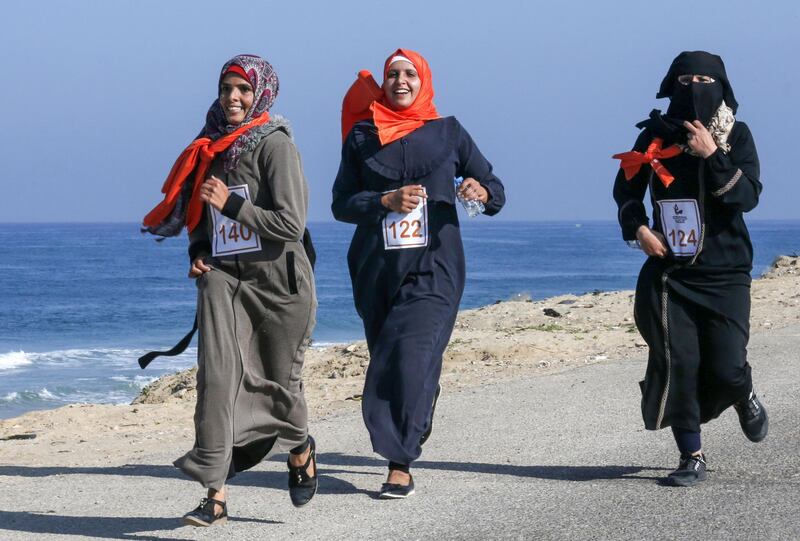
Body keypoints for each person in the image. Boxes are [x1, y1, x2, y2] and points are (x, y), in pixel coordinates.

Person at [142, 54, 318, 525]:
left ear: (260, 92)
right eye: (226, 89)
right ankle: (214, 496)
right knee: (218, 383)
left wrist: (234, 206)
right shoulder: (211, 147)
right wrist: (197, 251)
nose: (233, 98)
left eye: (242, 89)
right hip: (225, 282)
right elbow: (204, 218)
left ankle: (299, 446)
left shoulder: (276, 145)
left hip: (280, 286)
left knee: (280, 386)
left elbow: (290, 223)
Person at [332, 48, 506, 498]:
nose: (401, 81)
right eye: (393, 74)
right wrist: (383, 202)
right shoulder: (362, 136)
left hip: (436, 267)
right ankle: (418, 410)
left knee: (408, 357)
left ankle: (399, 463)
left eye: (410, 73)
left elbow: (496, 189)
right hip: (376, 269)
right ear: (384, 83)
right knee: (391, 358)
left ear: (424, 80)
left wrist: (479, 189)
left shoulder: (448, 132)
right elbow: (340, 204)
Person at [612, 51, 768, 487]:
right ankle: (691, 455)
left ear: (720, 85)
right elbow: (626, 193)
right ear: (671, 85)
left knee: (726, 366)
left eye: (703, 78)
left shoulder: (738, 136)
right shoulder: (652, 139)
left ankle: (743, 392)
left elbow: (747, 196)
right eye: (685, 79)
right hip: (671, 274)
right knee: (679, 361)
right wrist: (638, 228)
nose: (694, 87)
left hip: (727, 271)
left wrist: (712, 154)